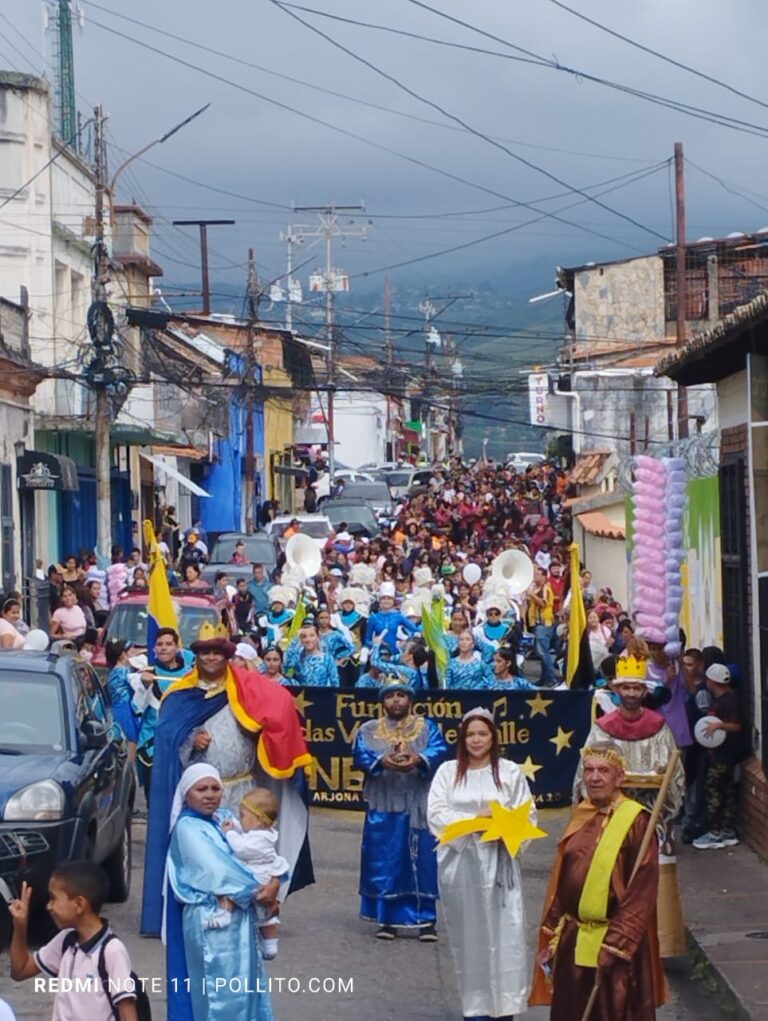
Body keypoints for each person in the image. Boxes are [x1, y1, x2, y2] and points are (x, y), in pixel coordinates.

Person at [141, 623, 313, 939]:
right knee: (205, 855)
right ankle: (205, 911)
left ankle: (255, 914)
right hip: (200, 796)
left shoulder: (248, 692)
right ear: (196, 656)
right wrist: (191, 740)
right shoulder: (179, 696)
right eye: (204, 651)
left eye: (216, 652)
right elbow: (165, 744)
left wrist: (262, 732)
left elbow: (277, 709)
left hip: (241, 791)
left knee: (247, 853)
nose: (210, 657)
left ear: (226, 656)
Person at [531, 741, 667, 1020]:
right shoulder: (582, 816)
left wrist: (616, 943)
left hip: (615, 945)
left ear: (620, 776)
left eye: (603, 770)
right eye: (589, 770)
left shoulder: (637, 822)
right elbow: (564, 879)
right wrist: (552, 933)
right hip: (574, 940)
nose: (594, 777)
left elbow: (642, 892)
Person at [574, 656, 686, 959]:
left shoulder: (659, 727)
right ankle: (610, 937)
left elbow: (675, 778)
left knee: (650, 877)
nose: (632, 693)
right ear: (616, 689)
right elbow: (587, 773)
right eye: (626, 688)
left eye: (637, 688)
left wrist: (664, 791)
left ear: (644, 691)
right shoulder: (602, 729)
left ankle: (656, 941)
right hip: (611, 818)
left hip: (651, 817)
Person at [428, 707, 535, 1020]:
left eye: (483, 733)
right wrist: (477, 820)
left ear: (493, 737)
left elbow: (526, 815)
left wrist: (500, 823)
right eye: (471, 734)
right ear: (462, 738)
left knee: (507, 934)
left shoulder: (510, 772)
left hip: (499, 862)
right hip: (462, 863)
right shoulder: (448, 772)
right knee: (470, 937)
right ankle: (475, 1007)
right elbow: (436, 813)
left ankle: (505, 1006)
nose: (476, 740)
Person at [166, 765, 276, 1021]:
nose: (209, 795)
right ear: (186, 794)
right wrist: (261, 887)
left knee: (246, 988)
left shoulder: (224, 819)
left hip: (241, 915)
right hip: (211, 920)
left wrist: (276, 881)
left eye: (215, 788)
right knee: (221, 997)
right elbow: (220, 872)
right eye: (201, 789)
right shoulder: (188, 827)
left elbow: (262, 850)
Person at [354, 674, 448, 939]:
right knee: (384, 859)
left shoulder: (426, 727)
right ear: (383, 700)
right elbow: (360, 754)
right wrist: (381, 761)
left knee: (422, 858)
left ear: (410, 699)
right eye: (390, 695)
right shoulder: (369, 729)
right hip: (384, 802)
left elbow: (440, 749)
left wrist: (419, 758)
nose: (396, 700)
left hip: (418, 802)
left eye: (401, 695)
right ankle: (386, 921)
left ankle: (426, 921)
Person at [9, 861, 138, 1020]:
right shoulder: (65, 941)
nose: (49, 906)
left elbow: (127, 1010)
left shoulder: (112, 951)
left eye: (53, 899)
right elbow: (20, 970)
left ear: (79, 904)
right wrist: (20, 927)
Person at [213, 787, 290, 960]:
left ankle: (225, 912)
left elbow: (240, 848)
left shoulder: (258, 839)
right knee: (265, 915)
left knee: (231, 891)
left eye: (242, 815)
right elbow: (244, 830)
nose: (240, 820)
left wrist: (229, 832)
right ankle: (270, 944)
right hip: (264, 876)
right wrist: (234, 823)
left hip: (255, 877)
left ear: (257, 821)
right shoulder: (263, 833)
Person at [134, 628, 195, 800]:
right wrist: (143, 686)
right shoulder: (146, 673)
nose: (163, 648)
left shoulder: (189, 676)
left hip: (181, 745)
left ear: (177, 648)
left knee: (179, 798)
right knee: (154, 800)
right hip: (151, 747)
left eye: (169, 644)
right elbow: (137, 708)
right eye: (159, 644)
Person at [693, 663, 743, 850]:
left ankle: (715, 832)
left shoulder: (728, 702)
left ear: (713, 681)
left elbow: (737, 726)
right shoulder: (720, 699)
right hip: (720, 755)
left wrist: (719, 726)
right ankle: (727, 831)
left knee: (714, 791)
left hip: (724, 756)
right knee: (727, 792)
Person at [105, 639, 141, 760]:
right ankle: (130, 769)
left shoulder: (117, 670)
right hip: (124, 709)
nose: (135, 653)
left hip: (121, 708)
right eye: (131, 651)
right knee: (131, 739)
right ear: (123, 655)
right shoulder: (123, 671)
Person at [364, 581, 417, 654]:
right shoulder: (373, 618)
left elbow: (415, 630)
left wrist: (405, 642)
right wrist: (374, 642)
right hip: (378, 655)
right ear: (380, 600)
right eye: (384, 598)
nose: (386, 601)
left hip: (394, 654)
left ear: (393, 600)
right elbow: (367, 640)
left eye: (389, 598)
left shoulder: (398, 616)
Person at [283, 620, 340, 686]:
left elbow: (335, 683)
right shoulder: (297, 658)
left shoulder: (327, 658)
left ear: (318, 637)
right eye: (304, 637)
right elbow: (287, 673)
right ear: (301, 640)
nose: (308, 640)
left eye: (312, 635)